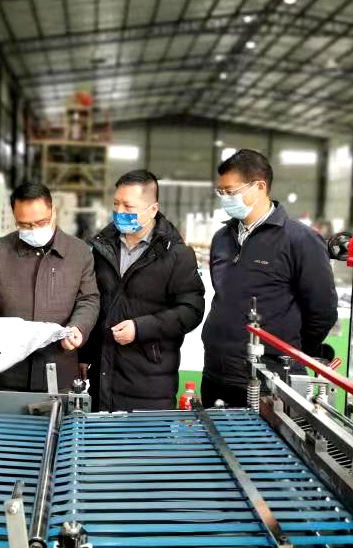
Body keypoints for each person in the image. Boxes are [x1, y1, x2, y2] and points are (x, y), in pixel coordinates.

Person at [201, 149, 338, 407]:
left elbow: (322, 312)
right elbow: (224, 296)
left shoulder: (299, 240)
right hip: (216, 374)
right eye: (221, 192)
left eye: (230, 191)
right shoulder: (222, 239)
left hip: (268, 382)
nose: (225, 198)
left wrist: (289, 352)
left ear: (260, 187)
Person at [79, 170, 205, 411]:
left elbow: (191, 310)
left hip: (150, 384)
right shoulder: (102, 250)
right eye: (116, 204)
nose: (120, 212)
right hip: (103, 379)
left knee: (145, 436)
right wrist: (85, 354)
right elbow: (95, 304)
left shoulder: (177, 255)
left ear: (153, 209)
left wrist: (141, 328)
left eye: (128, 206)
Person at [0, 181, 99, 392]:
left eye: (41, 222)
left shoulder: (79, 253)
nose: (33, 230)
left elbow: (89, 299)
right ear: (15, 218)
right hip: (10, 372)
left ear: (53, 211)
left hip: (59, 369)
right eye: (24, 225)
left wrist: (78, 327)